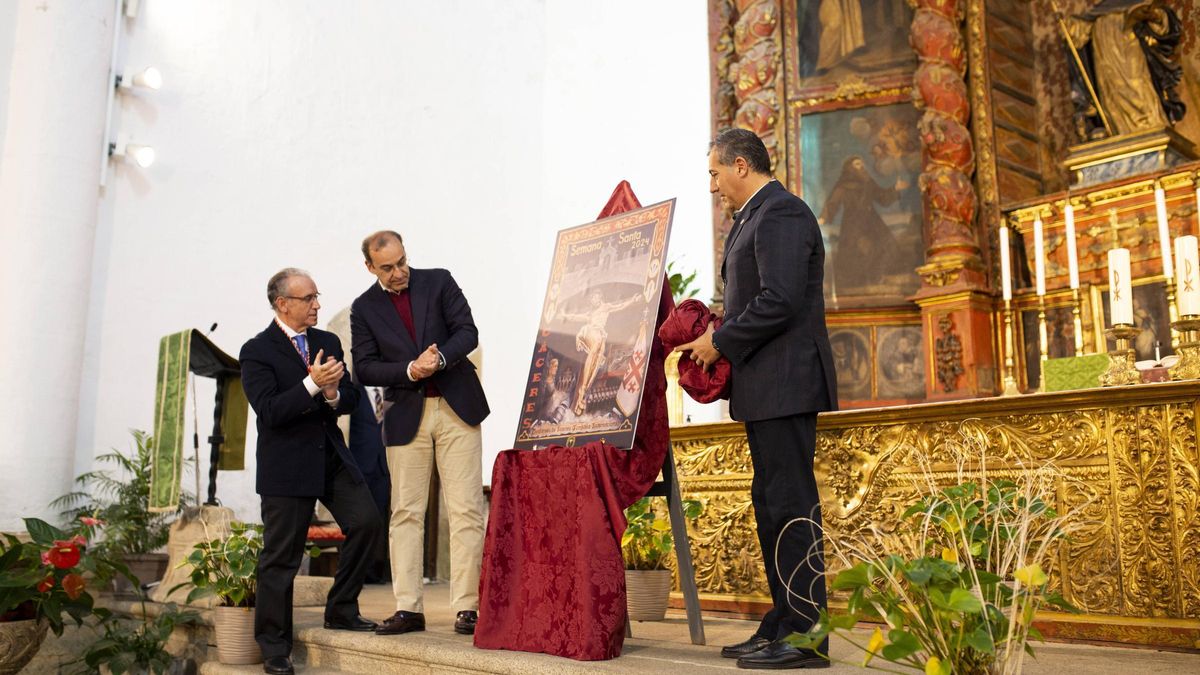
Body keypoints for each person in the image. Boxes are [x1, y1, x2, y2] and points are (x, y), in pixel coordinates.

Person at [677, 129, 838, 670]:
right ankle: (784, 621)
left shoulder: (782, 214)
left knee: (791, 505)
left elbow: (781, 299)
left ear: (741, 165)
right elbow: (754, 299)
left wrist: (718, 340)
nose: (712, 186)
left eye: (714, 173)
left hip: (787, 383)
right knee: (771, 507)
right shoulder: (753, 217)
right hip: (764, 385)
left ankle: (808, 634)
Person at [239, 268, 384, 675]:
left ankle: (340, 608)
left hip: (330, 457)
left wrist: (335, 392)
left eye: (317, 297)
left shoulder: (327, 341)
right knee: (280, 559)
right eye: (309, 299)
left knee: (368, 521)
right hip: (286, 464)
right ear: (282, 303)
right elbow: (269, 410)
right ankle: (273, 645)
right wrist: (311, 384)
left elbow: (351, 396)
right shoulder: (256, 351)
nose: (317, 304)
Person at [350, 231, 490, 637]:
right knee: (406, 512)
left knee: (464, 508)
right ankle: (408, 608)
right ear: (370, 268)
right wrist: (410, 369)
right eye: (388, 267)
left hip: (457, 406)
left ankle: (468, 608)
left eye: (402, 261)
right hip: (405, 413)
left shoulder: (439, 280)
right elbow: (365, 368)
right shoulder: (363, 308)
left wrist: (440, 358)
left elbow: (468, 332)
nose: (399, 272)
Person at [817, 155, 908, 296]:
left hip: (872, 220)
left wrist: (895, 188)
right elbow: (832, 203)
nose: (862, 167)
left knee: (884, 244)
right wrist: (823, 218)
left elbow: (882, 197)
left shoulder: (868, 182)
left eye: (862, 164)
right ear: (850, 168)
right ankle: (853, 282)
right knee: (853, 251)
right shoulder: (844, 185)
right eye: (858, 164)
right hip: (853, 223)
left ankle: (877, 277)